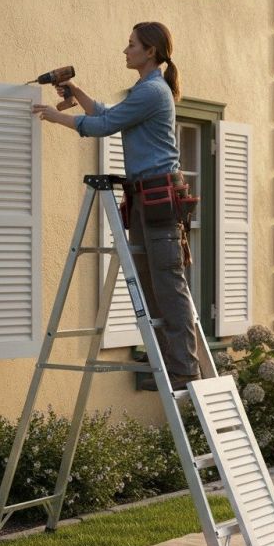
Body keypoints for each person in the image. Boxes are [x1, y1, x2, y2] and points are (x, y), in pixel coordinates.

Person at [31, 21, 200, 391]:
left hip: (157, 196)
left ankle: (184, 368)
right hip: (144, 196)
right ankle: (164, 357)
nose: (125, 51)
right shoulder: (145, 90)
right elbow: (109, 113)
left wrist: (57, 116)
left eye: (131, 45)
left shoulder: (154, 91)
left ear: (150, 51)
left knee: (168, 284)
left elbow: (104, 125)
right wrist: (76, 91)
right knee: (150, 281)